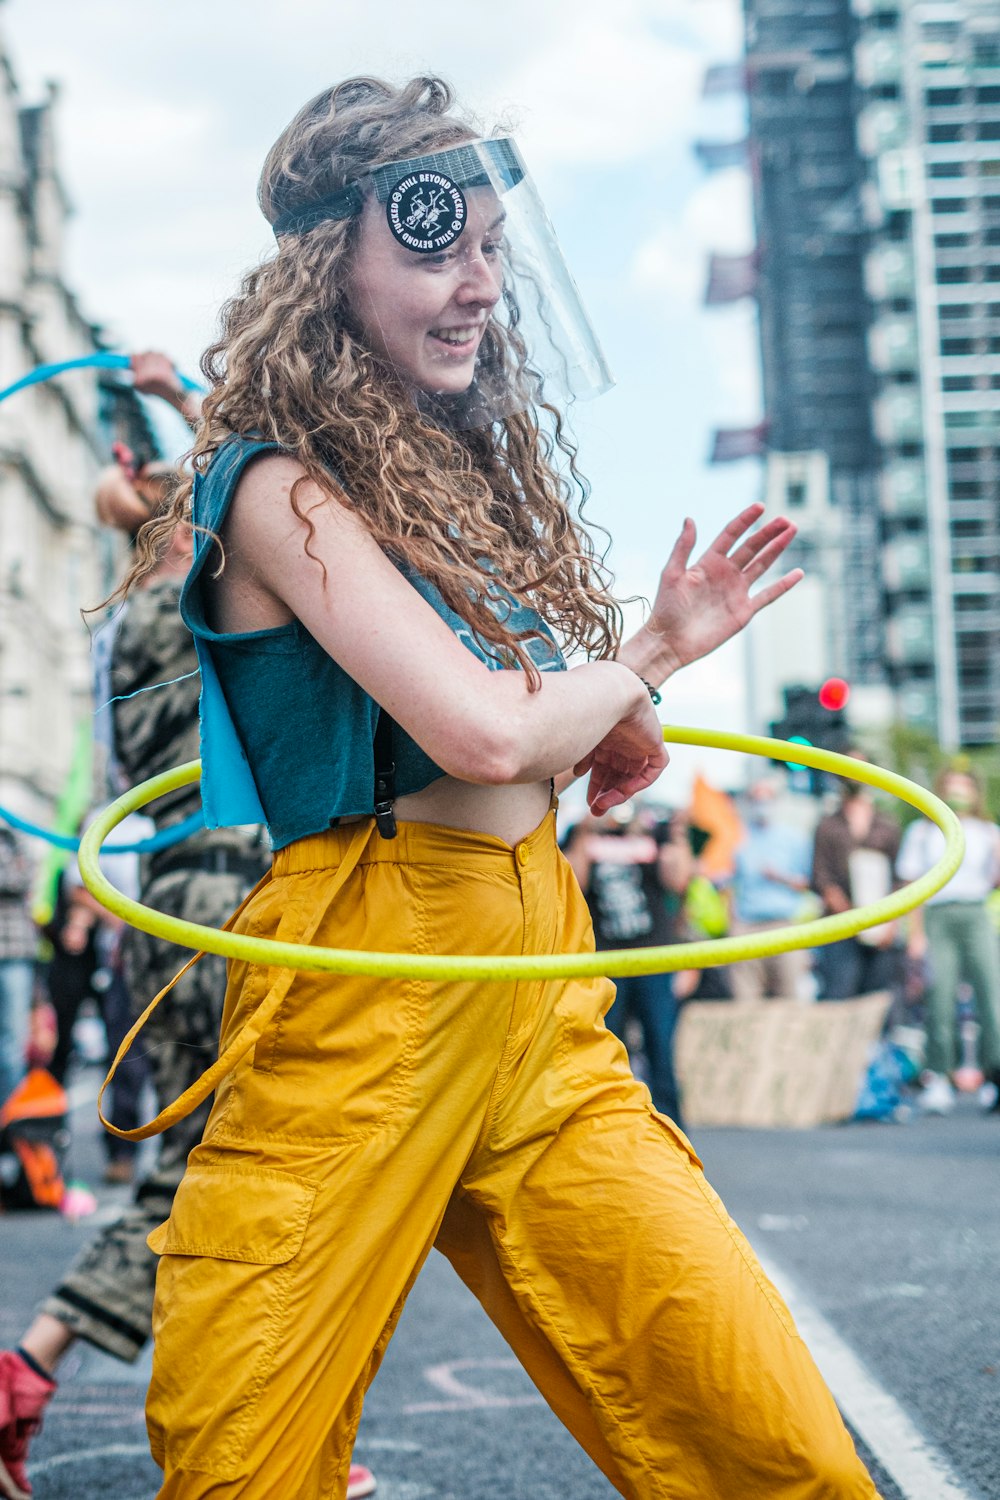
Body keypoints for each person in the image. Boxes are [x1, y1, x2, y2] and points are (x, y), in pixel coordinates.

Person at [99, 78, 881, 1499]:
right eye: (441, 247)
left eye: (497, 251)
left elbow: (521, 733)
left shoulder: (438, 487)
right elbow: (476, 736)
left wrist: (597, 725)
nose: (481, 287)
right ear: (332, 262)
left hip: (536, 978)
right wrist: (643, 658)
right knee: (242, 1460)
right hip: (366, 983)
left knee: (756, 1429)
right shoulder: (273, 485)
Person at [0, 355, 377, 1500]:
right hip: (225, 902)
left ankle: (47, 1382)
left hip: (166, 904)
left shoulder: (126, 632)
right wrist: (176, 394)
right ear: (182, 536)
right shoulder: (194, 601)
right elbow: (243, 473)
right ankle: (234, 1423)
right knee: (240, 1168)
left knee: (203, 1167)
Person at [564, 804, 689, 1124]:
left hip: (653, 959)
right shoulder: (583, 834)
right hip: (606, 961)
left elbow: (678, 880)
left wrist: (675, 834)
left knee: (661, 1050)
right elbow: (574, 884)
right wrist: (584, 831)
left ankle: (672, 1129)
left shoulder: (651, 831)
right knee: (604, 1050)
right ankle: (610, 1125)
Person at [896, 766, 1000, 1116]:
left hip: (975, 914)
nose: (959, 793)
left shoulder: (988, 831)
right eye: (952, 786)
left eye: (965, 787)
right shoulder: (924, 832)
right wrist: (916, 936)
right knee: (939, 997)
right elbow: (911, 886)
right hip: (937, 915)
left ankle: (993, 1076)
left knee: (991, 997)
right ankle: (939, 1075)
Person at [811, 752, 902, 1001]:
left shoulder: (888, 825)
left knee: (878, 1000)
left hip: (881, 930)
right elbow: (820, 877)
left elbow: (899, 879)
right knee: (839, 996)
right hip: (840, 928)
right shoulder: (827, 826)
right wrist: (850, 917)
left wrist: (890, 925)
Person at [729, 774, 813, 1001]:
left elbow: (808, 884)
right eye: (757, 798)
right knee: (745, 1000)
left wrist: (781, 878)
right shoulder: (738, 837)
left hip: (783, 926)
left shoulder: (794, 839)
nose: (762, 805)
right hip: (746, 927)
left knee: (789, 998)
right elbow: (727, 884)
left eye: (767, 798)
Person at [0, 828, 35, 1111]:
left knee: (13, 1045)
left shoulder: (12, 836)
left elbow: (25, 878)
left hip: (14, 952)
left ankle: (14, 1122)